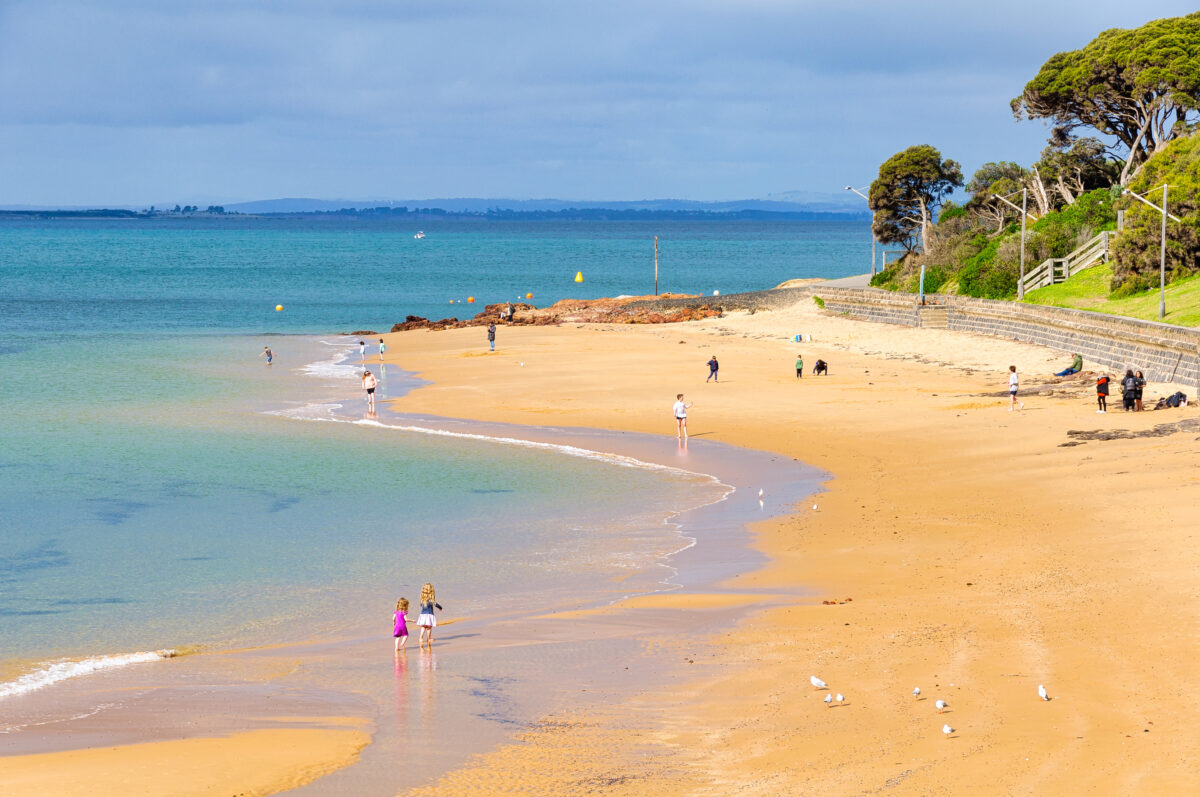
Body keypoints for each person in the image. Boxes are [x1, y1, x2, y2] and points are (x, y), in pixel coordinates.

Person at [417, 582, 442, 648]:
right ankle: (428, 639)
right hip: (429, 615)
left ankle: (420, 638)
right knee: (429, 627)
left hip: (422, 615)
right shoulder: (431, 600)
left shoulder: (422, 600)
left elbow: (421, 605)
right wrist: (440, 608)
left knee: (423, 627)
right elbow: (436, 604)